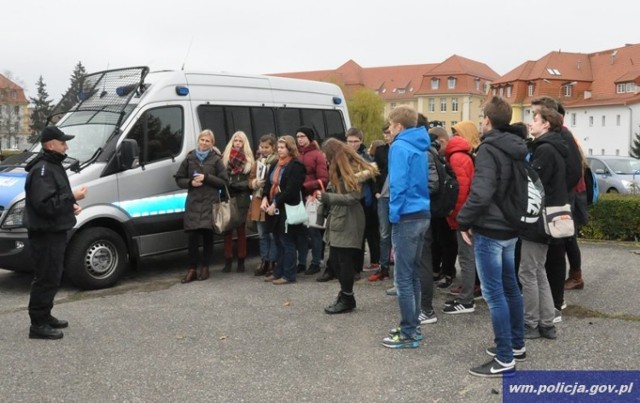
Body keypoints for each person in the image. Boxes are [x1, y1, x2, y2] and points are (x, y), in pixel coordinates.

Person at [457, 96, 525, 377]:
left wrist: (464, 220)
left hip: (492, 229)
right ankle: (516, 344)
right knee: (510, 287)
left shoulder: (488, 149)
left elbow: (481, 192)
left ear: (487, 120)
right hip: (511, 226)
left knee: (494, 294)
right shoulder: (517, 146)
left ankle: (505, 357)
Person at [24, 126, 87, 340]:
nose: (66, 146)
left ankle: (45, 314)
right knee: (46, 277)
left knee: (53, 275)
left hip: (54, 230)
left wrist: (71, 205)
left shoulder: (52, 165)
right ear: (51, 145)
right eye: (62, 143)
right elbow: (44, 205)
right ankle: (38, 324)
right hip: (46, 233)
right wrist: (72, 196)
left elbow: (54, 199)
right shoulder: (43, 169)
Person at [381, 105, 431, 349]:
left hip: (406, 216)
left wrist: (393, 214)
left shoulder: (399, 146)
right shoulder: (421, 145)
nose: (389, 130)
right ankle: (413, 324)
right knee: (412, 274)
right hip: (422, 213)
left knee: (403, 276)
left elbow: (398, 184)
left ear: (399, 126)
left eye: (390, 126)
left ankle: (409, 330)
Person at [517, 106, 566, 340]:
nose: (531, 123)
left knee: (528, 272)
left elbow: (534, 186)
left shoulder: (545, 150)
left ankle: (531, 323)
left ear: (546, 124)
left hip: (538, 219)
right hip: (548, 219)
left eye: (535, 119)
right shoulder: (553, 147)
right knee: (538, 272)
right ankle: (546, 323)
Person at [319, 138, 377, 314]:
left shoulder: (351, 170)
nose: (325, 159)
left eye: (326, 156)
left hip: (350, 218)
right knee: (336, 261)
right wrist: (324, 205)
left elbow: (353, 197)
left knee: (344, 261)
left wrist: (327, 198)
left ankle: (347, 298)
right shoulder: (338, 168)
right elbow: (332, 191)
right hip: (338, 217)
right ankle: (345, 295)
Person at [175, 129, 229, 283]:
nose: (204, 143)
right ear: (198, 141)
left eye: (208, 141)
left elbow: (224, 182)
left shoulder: (216, 160)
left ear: (212, 144)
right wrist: (190, 182)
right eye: (202, 140)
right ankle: (191, 269)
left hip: (209, 203)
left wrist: (207, 178)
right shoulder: (189, 159)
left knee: (207, 236)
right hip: (193, 203)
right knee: (192, 237)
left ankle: (205, 268)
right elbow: (179, 179)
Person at [442, 121, 479, 315]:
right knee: (469, 256)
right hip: (467, 214)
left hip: (463, 216)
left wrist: (457, 218)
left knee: (466, 257)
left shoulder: (456, 158)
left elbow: (459, 193)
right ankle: (468, 294)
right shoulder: (465, 156)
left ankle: (466, 299)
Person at [261, 135, 306, 285]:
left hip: (287, 208)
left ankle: (289, 275)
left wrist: (276, 203)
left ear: (290, 148)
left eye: (282, 147)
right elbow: (268, 183)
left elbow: (291, 190)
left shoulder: (296, 166)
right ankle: (277, 272)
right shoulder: (275, 163)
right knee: (278, 241)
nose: (279, 150)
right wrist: (265, 198)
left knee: (287, 242)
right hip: (274, 208)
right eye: (278, 147)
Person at [346, 127, 380, 277]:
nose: (352, 144)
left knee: (361, 235)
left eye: (355, 141)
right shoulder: (343, 156)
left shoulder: (366, 157)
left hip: (363, 199)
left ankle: (356, 268)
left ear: (361, 141)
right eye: (349, 141)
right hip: (347, 198)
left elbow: (373, 175)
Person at [295, 127, 328, 275]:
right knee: (300, 232)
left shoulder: (317, 155)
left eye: (302, 136)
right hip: (298, 197)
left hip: (311, 197)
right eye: (297, 136)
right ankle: (301, 262)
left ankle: (316, 262)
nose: (299, 139)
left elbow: (323, 179)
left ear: (309, 137)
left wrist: (306, 186)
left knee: (314, 231)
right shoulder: (296, 154)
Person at [428, 126, 458, 289]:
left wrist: (452, 208)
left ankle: (448, 272)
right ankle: (440, 270)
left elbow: (458, 185)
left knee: (448, 242)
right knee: (439, 239)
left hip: (448, 208)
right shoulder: (443, 157)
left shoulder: (454, 157)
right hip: (442, 207)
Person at [221, 131, 255, 273]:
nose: (238, 143)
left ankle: (241, 260)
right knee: (227, 232)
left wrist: (234, 186)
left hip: (242, 199)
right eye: (236, 140)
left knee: (241, 232)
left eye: (240, 141)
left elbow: (249, 183)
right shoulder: (225, 159)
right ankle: (228, 260)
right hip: (228, 199)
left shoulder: (248, 161)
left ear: (244, 143)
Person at [248, 134, 279, 276]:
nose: (264, 150)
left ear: (273, 147)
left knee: (272, 234)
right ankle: (264, 261)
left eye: (267, 147)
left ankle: (273, 261)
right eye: (262, 147)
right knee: (262, 234)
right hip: (257, 202)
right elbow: (250, 180)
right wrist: (255, 183)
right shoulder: (257, 162)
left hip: (270, 200)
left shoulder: (277, 161)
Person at [368, 123, 393, 283]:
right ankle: (383, 267)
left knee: (399, 234)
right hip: (383, 195)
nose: (386, 136)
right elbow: (375, 172)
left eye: (388, 132)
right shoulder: (381, 150)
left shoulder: (401, 149)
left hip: (398, 195)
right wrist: (376, 191)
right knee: (384, 233)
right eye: (384, 133)